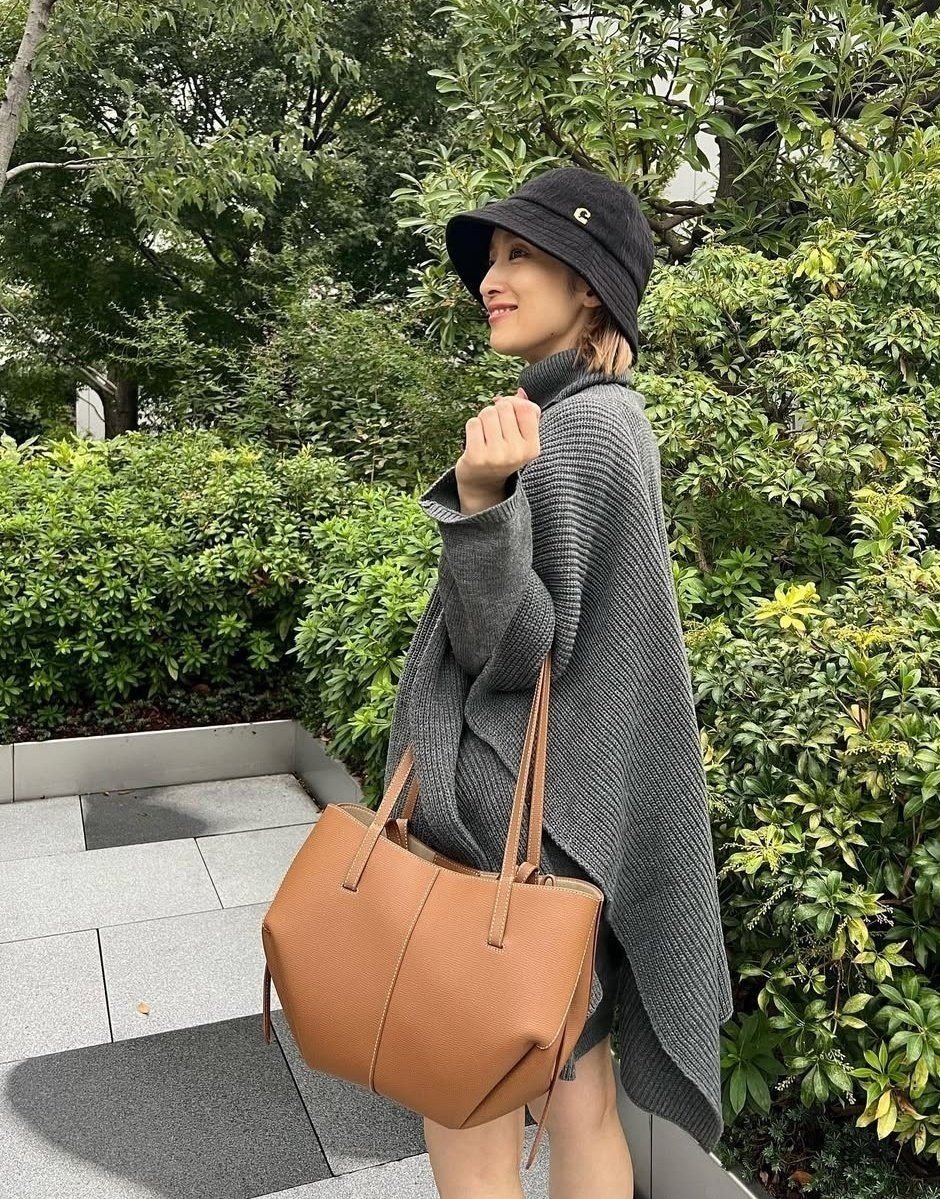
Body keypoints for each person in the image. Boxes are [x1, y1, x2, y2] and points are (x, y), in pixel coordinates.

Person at [382, 166, 735, 1198]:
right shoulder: (606, 414)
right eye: (490, 258)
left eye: (521, 255)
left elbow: (515, 650)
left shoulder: (573, 430)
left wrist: (479, 503)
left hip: (511, 838)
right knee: (576, 1092)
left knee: (467, 1095)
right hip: (564, 833)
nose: (491, 278)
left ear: (588, 285)